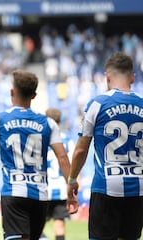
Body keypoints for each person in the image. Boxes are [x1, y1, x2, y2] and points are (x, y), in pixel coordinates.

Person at [0, 70, 77, 240]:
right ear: (34, 95)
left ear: (12, 92)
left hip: (14, 192)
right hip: (40, 195)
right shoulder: (48, 123)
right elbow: (62, 157)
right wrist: (71, 186)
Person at [67, 52, 143, 239]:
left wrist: (72, 179)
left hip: (106, 187)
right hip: (138, 188)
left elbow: (81, 149)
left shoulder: (97, 104)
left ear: (107, 77)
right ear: (133, 77)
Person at [40, 108, 75, 240]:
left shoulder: (40, 137)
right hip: (61, 189)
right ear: (60, 121)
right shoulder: (67, 141)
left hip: (42, 188)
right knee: (59, 223)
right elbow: (71, 164)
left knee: (36, 225)